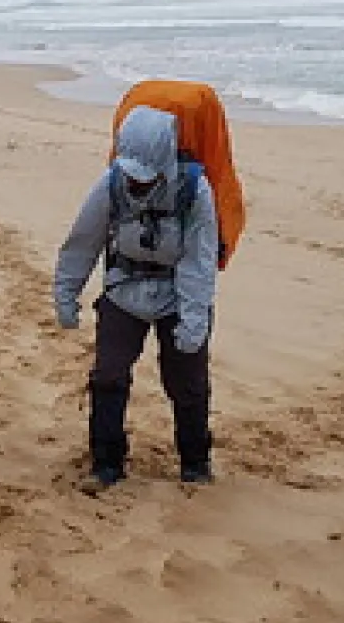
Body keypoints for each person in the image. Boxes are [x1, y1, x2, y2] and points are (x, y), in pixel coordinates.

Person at [53, 105, 221, 493]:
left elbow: (200, 260)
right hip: (123, 290)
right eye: (131, 175)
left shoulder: (195, 191)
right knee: (108, 376)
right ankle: (106, 463)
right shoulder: (110, 184)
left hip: (178, 294)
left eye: (144, 178)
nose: (136, 183)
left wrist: (193, 320)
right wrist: (67, 292)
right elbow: (83, 240)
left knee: (188, 383)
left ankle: (195, 462)